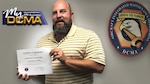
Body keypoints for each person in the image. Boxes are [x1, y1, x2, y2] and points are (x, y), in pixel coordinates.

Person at [17, 0, 105, 84]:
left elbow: (99, 67)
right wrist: (31, 72)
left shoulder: (89, 36)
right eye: (55, 13)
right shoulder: (43, 41)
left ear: (71, 15)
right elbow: (43, 70)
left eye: (63, 11)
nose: (58, 15)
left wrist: (66, 60)